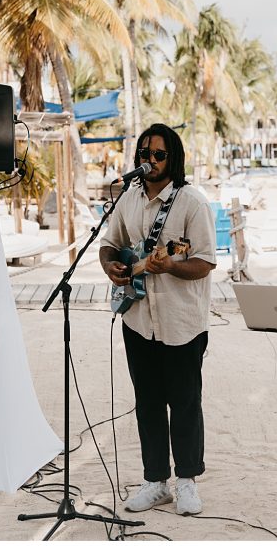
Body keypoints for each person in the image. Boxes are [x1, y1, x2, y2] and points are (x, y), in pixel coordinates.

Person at [99, 123, 217, 516]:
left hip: (181, 322)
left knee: (184, 403)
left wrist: (168, 267)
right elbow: (110, 245)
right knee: (147, 403)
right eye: (144, 154)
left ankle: (186, 482)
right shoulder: (128, 199)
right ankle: (155, 482)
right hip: (137, 318)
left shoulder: (192, 203)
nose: (150, 161)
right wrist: (113, 267)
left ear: (174, 158)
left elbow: (203, 262)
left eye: (159, 154)